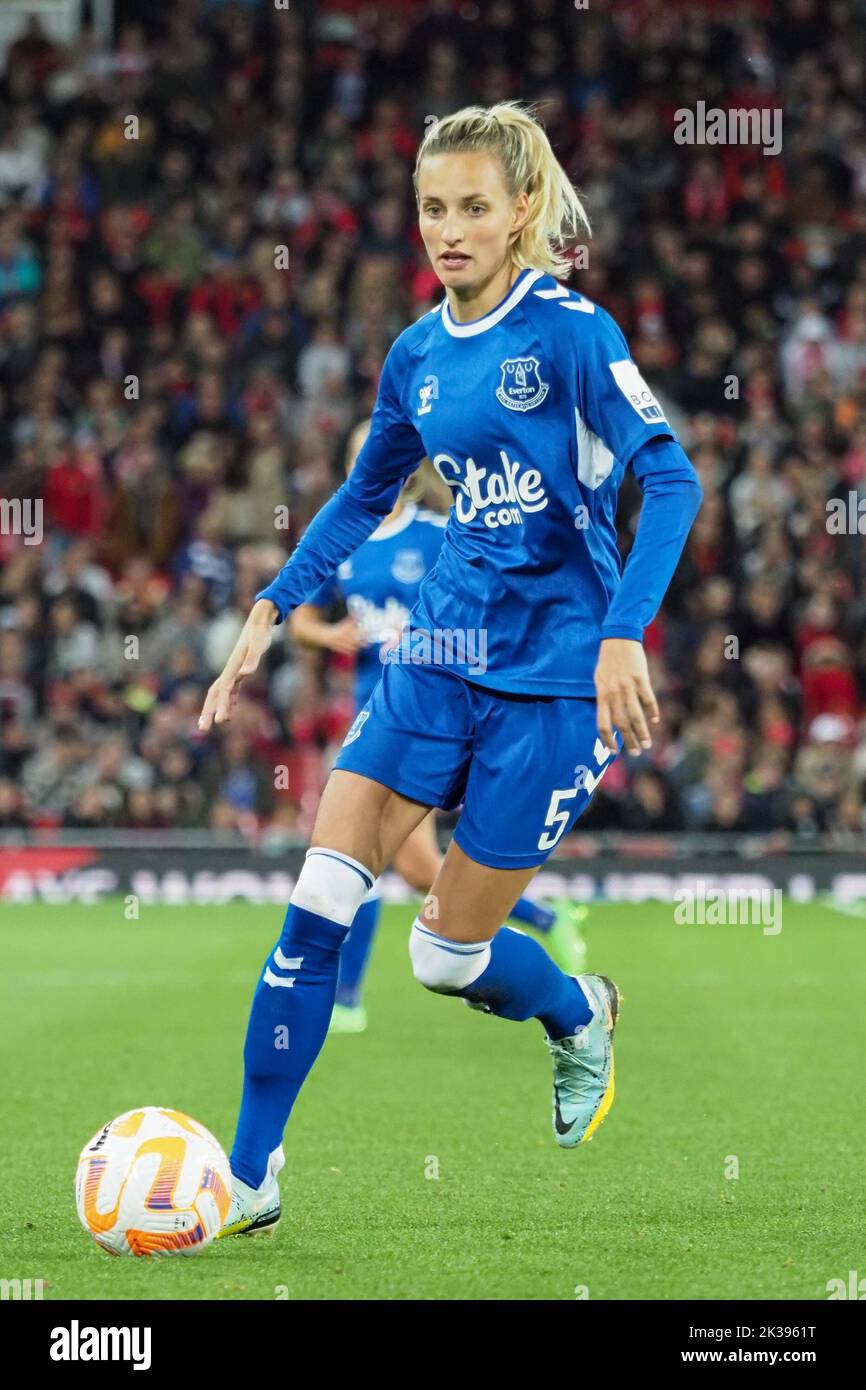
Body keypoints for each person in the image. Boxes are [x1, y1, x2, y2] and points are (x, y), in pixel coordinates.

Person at [198, 101, 702, 1237]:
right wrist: (275, 602)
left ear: (521, 210)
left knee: (440, 954)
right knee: (318, 899)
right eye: (432, 207)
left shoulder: (572, 332)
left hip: (558, 677)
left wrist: (623, 629)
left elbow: (668, 480)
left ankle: (576, 1008)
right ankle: (250, 1174)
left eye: (473, 206)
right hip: (436, 651)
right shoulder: (415, 355)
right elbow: (364, 492)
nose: (449, 229)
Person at [291, 423, 589, 1034]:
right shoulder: (344, 541)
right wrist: (329, 635)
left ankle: (351, 998)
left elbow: (485, 603)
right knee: (401, 866)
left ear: (407, 468)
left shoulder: (437, 534)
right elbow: (300, 622)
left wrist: (435, 643)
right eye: (359, 457)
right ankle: (542, 919)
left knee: (383, 863)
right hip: (372, 713)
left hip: (433, 717)